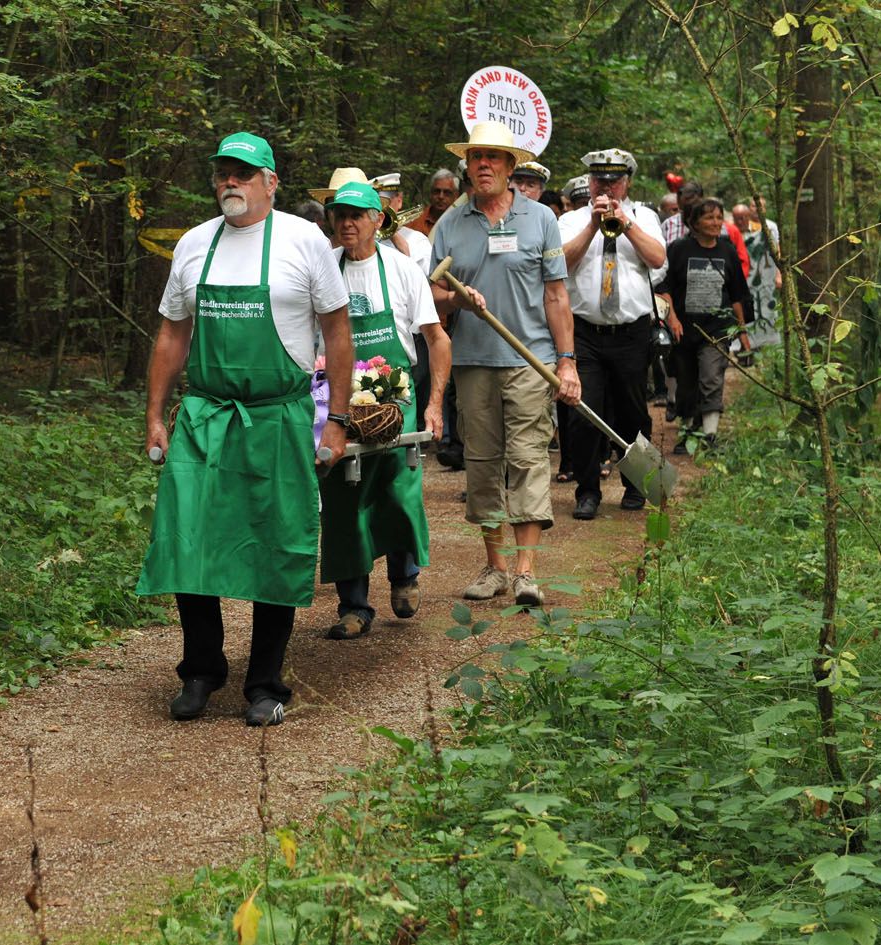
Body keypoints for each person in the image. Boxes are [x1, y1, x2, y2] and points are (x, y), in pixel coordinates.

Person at [138, 132, 353, 727]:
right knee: (189, 540)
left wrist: (336, 419)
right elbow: (172, 334)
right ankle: (202, 671)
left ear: (271, 182)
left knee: (275, 544)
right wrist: (156, 414)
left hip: (278, 416)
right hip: (205, 414)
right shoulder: (193, 244)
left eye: (243, 172)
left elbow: (337, 333)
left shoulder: (303, 239)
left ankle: (266, 682)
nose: (230, 182)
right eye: (222, 173)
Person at [430, 121, 581, 607]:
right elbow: (432, 293)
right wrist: (457, 299)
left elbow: (556, 295)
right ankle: (495, 567)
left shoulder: (541, 219)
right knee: (482, 463)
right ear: (468, 166)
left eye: (494, 157)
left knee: (529, 459)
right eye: (477, 158)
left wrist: (567, 362)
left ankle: (525, 572)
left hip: (530, 361)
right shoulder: (450, 224)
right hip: (473, 361)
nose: (484, 165)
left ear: (512, 167)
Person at [319, 182, 450, 639]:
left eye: (358, 215)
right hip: (338, 398)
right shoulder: (323, 271)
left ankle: (404, 576)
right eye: (340, 215)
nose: (348, 223)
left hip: (396, 398)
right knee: (343, 500)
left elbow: (437, 340)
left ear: (379, 219)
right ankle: (353, 606)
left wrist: (434, 406)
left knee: (398, 492)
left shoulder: (401, 270)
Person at [557, 148, 667, 519]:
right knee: (583, 413)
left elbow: (657, 259)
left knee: (633, 412)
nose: (606, 186)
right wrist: (593, 224)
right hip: (584, 331)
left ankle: (637, 485)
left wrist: (626, 223)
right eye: (599, 180)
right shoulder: (571, 221)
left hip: (632, 333)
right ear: (589, 182)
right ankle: (587, 490)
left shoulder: (645, 216)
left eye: (614, 180)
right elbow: (561, 263)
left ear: (627, 182)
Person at [657, 197, 752, 452]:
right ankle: (688, 434)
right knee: (687, 383)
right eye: (709, 217)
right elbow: (664, 287)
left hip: (717, 329)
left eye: (719, 217)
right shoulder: (679, 249)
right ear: (694, 222)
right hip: (684, 329)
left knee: (711, 378)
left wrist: (742, 334)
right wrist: (672, 319)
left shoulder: (727, 250)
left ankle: (709, 437)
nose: (716, 223)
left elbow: (736, 294)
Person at [662, 180, 750, 278]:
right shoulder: (669, 229)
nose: (715, 223)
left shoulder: (723, 231)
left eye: (719, 217)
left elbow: (740, 264)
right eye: (685, 207)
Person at [732, 200, 781, 347]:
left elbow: (776, 251)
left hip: (759, 280)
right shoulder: (729, 233)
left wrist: (779, 274)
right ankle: (742, 346)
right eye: (737, 218)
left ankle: (763, 346)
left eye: (743, 217)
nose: (741, 221)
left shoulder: (768, 229)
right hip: (739, 281)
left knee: (763, 309)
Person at [371, 171, 433, 273]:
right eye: (376, 203)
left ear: (399, 200)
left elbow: (427, 280)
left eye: (386, 202)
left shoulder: (418, 241)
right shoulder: (364, 237)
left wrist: (396, 237)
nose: (381, 208)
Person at [410, 169, 459, 236]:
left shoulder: (462, 222)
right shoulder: (415, 221)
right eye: (437, 191)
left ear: (455, 196)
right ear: (431, 193)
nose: (441, 197)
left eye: (447, 192)